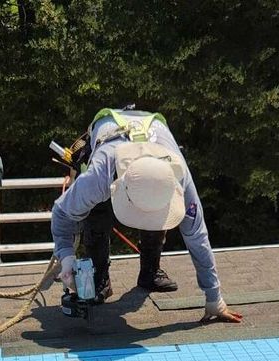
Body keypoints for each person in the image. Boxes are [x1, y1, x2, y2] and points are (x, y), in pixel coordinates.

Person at [50, 108, 242, 323]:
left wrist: (215, 299)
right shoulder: (100, 176)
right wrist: (67, 259)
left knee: (156, 210)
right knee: (96, 216)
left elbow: (198, 237)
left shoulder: (179, 178)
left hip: (154, 132)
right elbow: (62, 213)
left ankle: (150, 273)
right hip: (109, 131)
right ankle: (100, 279)